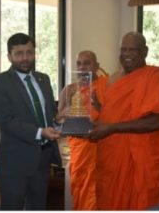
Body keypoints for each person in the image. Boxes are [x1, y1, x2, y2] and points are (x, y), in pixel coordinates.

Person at [90, 32, 159, 210]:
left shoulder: (157, 77)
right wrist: (101, 110)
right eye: (123, 49)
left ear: (145, 51)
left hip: (142, 158)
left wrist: (112, 128)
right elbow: (120, 115)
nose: (126, 54)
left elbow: (157, 121)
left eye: (132, 49)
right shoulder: (114, 80)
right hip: (112, 157)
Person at [0, 33, 62, 210]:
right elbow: (6, 121)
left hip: (43, 159)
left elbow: (50, 114)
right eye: (19, 53)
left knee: (38, 207)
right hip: (15, 162)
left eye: (29, 52)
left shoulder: (43, 78)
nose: (25, 58)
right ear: (9, 56)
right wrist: (40, 132)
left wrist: (60, 119)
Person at [57, 50, 107, 210]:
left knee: (101, 192)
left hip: (102, 147)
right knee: (81, 189)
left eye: (87, 63)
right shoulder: (69, 89)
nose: (82, 67)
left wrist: (99, 106)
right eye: (79, 63)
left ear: (97, 66)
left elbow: (115, 117)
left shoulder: (107, 85)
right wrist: (64, 110)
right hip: (79, 148)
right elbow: (58, 120)